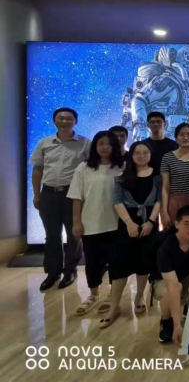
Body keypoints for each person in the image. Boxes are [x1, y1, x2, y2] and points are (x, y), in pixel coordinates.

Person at [30, 107, 90, 291]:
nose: (64, 121)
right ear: (54, 120)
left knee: (74, 235)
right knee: (52, 235)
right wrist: (37, 194)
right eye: (61, 118)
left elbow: (91, 170)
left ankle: (70, 271)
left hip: (73, 195)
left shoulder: (85, 143)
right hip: (49, 194)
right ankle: (53, 272)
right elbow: (37, 169)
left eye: (69, 118)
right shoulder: (45, 143)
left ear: (75, 122)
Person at [105, 141, 162, 329]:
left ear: (150, 155)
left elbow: (159, 201)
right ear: (132, 155)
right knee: (120, 263)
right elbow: (117, 201)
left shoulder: (157, 177)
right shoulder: (121, 177)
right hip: (127, 224)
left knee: (143, 263)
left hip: (149, 224)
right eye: (138, 152)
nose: (142, 156)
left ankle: (139, 297)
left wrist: (151, 222)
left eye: (145, 152)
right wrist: (129, 223)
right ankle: (114, 306)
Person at [68, 131, 124, 316]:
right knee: (92, 261)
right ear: (95, 146)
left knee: (116, 261)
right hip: (91, 223)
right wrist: (76, 222)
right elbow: (77, 197)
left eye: (109, 144)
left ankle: (113, 296)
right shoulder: (84, 168)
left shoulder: (122, 166)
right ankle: (93, 294)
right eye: (101, 143)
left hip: (116, 224)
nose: (105, 147)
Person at [154, 205, 189, 346]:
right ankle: (167, 321)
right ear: (177, 224)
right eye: (186, 224)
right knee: (169, 290)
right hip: (163, 280)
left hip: (187, 276)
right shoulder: (166, 247)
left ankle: (187, 307)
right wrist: (177, 325)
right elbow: (173, 285)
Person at [161, 123, 189, 225]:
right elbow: (165, 187)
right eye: (182, 134)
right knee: (174, 231)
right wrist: (164, 211)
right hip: (175, 202)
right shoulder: (167, 158)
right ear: (176, 138)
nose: (186, 137)